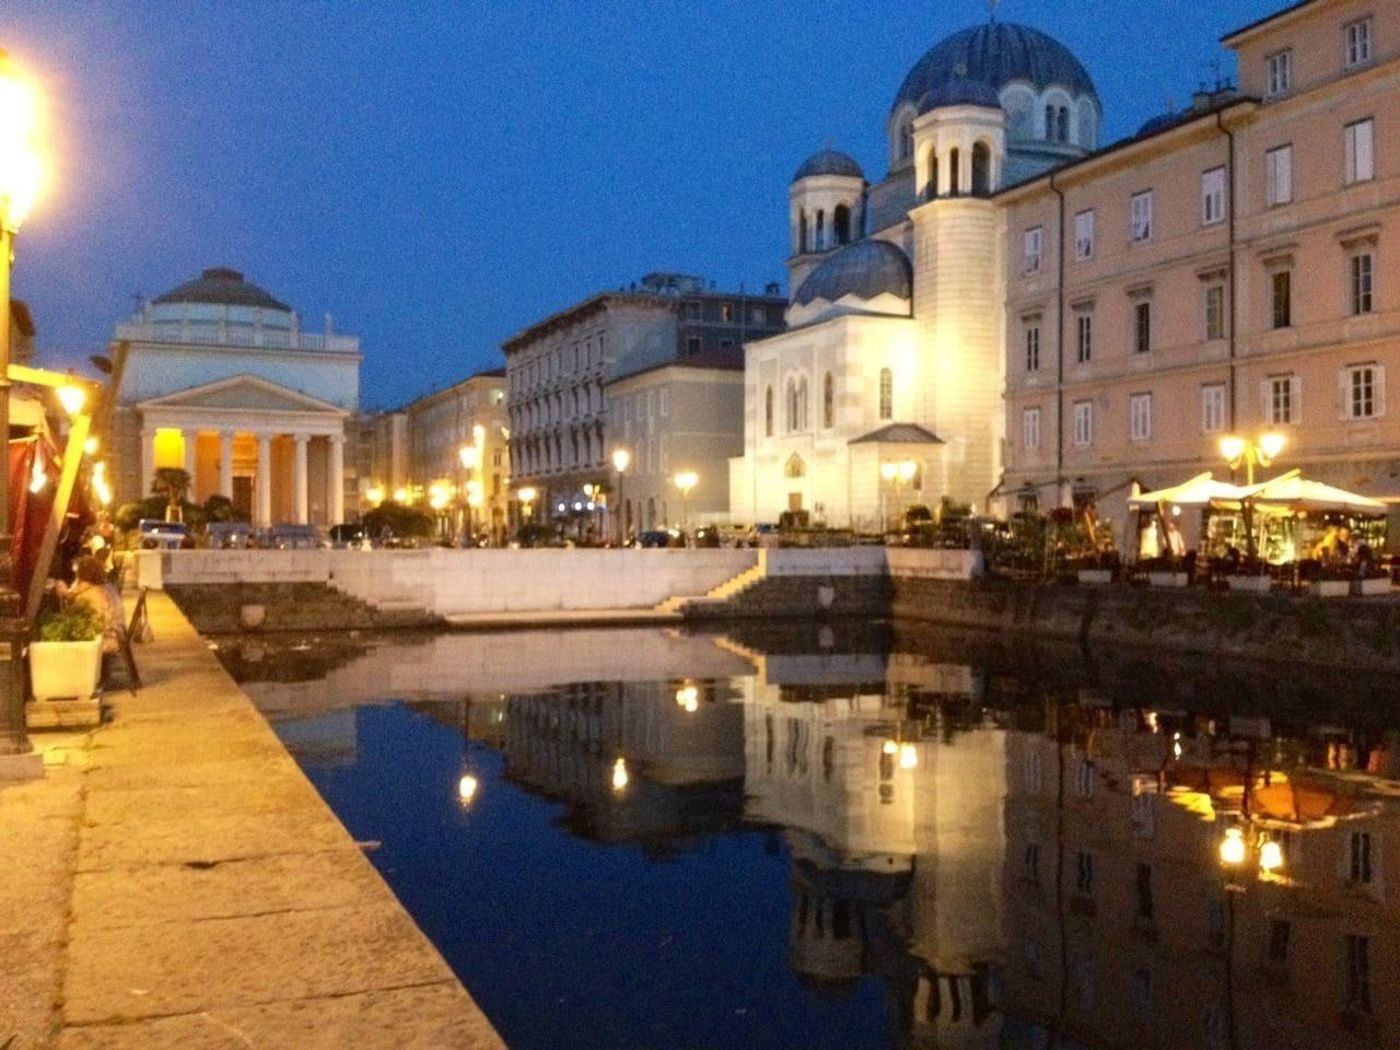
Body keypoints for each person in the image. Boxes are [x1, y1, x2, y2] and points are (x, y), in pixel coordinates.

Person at [55, 555, 124, 654]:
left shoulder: (84, 595)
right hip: (115, 636)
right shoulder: (100, 589)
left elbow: (79, 621)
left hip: (105, 641)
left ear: (81, 574)